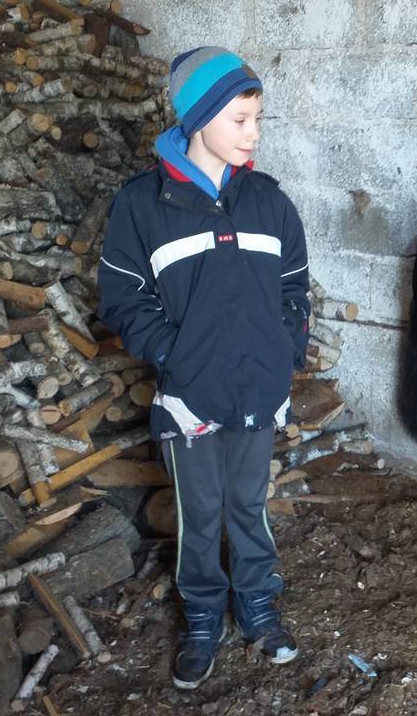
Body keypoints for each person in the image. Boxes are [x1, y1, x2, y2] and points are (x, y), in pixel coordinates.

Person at [97, 46, 310, 690]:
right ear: (197, 119)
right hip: (190, 396)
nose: (254, 133)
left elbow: (296, 287)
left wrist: (284, 353)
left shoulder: (270, 201)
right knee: (201, 511)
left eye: (259, 118)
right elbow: (122, 297)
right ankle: (200, 617)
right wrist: (174, 358)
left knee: (249, 502)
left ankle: (257, 603)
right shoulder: (143, 205)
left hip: (258, 389)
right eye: (240, 119)